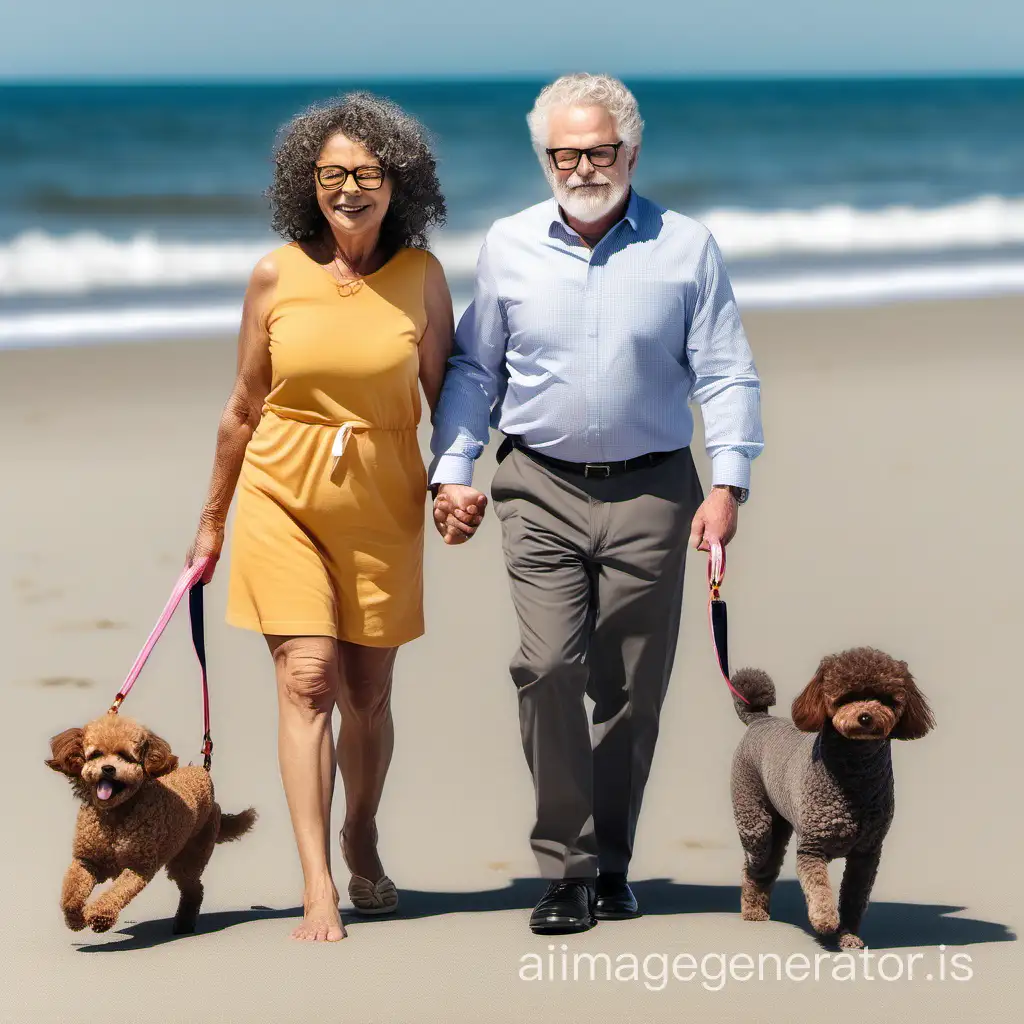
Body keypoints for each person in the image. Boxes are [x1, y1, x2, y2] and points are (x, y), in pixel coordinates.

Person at [429, 73, 764, 935]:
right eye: (565, 153)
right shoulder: (506, 245)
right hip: (536, 486)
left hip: (656, 488)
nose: (582, 167)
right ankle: (565, 869)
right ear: (545, 158)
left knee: (631, 691)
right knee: (546, 668)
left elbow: (725, 370)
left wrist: (727, 485)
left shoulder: (687, 247)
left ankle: (612, 864)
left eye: (599, 150)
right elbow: (474, 368)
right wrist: (453, 467)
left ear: (632, 152)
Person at [186, 92, 453, 942]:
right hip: (281, 490)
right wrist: (212, 522)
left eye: (366, 173)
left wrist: (455, 483)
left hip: (383, 498)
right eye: (332, 172)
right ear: (308, 181)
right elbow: (241, 406)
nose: (348, 187)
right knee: (309, 680)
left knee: (367, 692)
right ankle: (317, 882)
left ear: (396, 181)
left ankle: (360, 833)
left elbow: (451, 397)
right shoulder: (275, 274)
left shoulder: (422, 278)